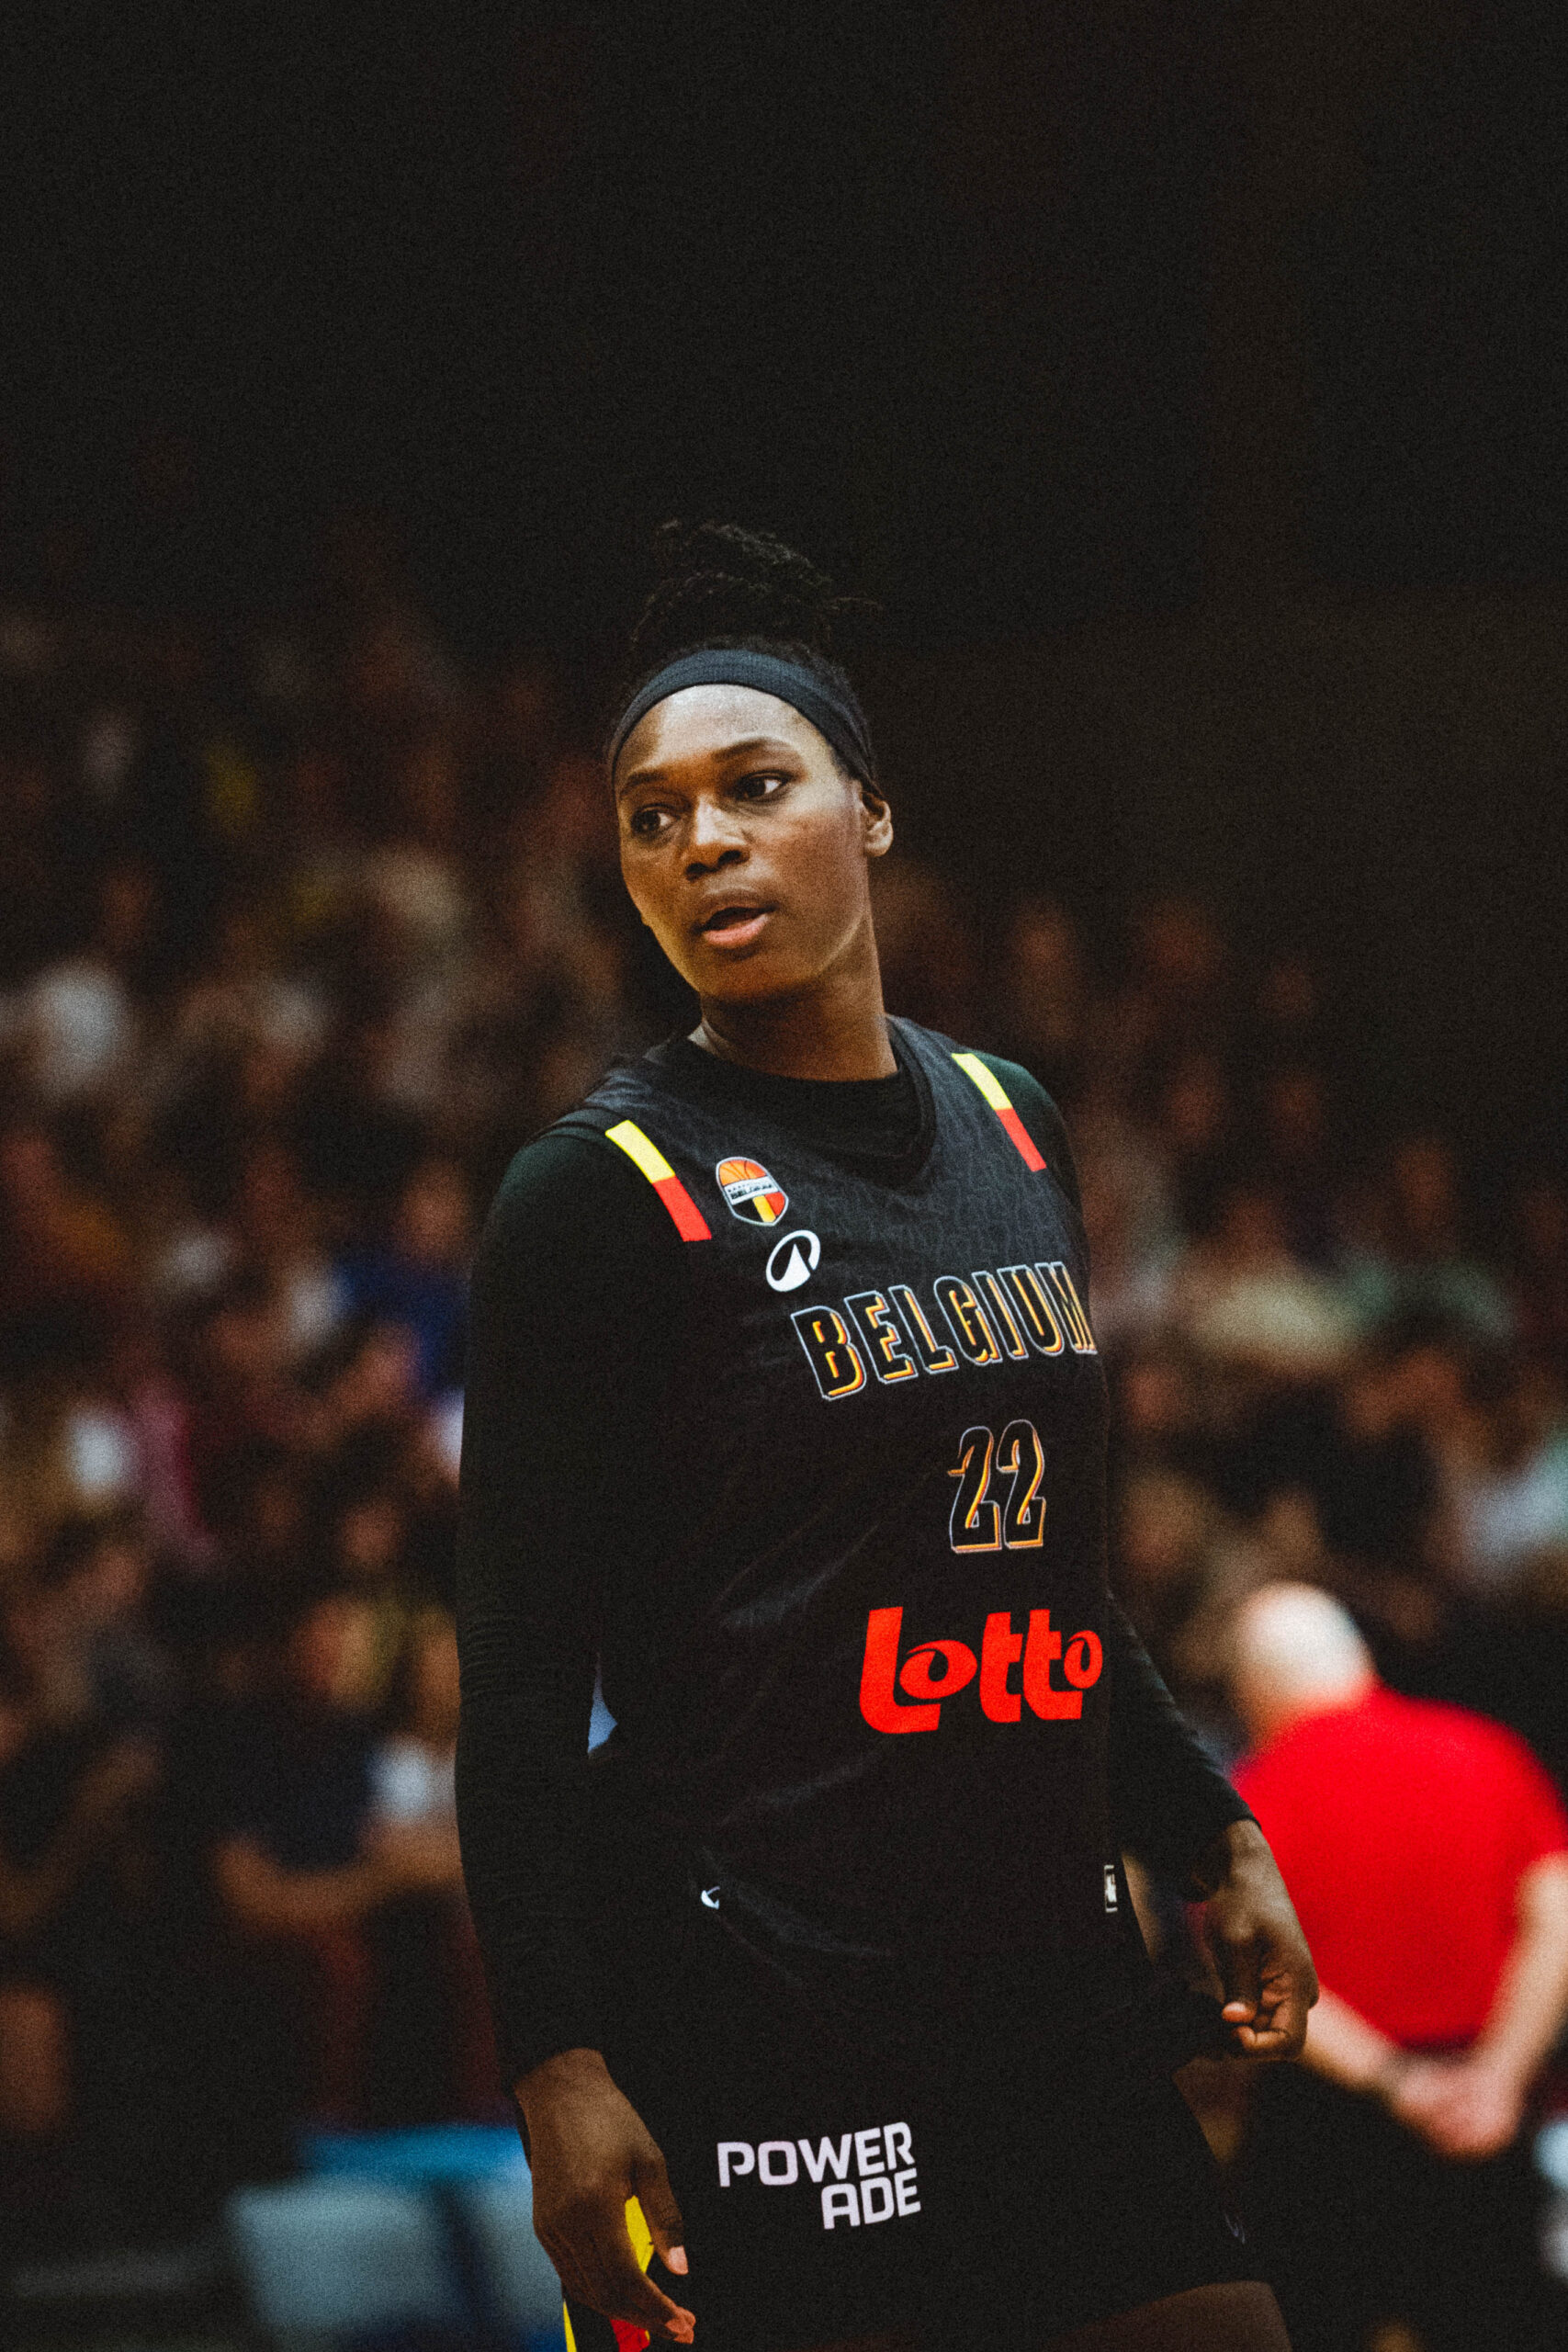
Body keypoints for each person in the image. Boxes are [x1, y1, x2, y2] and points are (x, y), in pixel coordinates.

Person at [455, 524, 1316, 2352]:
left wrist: (1205, 1828)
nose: (702, 840)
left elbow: (1046, 1569)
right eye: (652, 816)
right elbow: (519, 1680)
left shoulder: (1009, 1118)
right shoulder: (598, 1192)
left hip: (1043, 1985)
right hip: (760, 2000)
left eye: (754, 787)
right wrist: (556, 2062)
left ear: (872, 810)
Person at [1229, 1582, 1568, 2352]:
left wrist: (1397, 2082)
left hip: (1325, 2130)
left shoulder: (1249, 1795)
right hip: (1485, 2116)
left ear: (1250, 1688)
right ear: (1359, 1656)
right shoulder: (1486, 1749)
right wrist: (1499, 2075)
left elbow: (1257, 1976)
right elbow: (1555, 1919)